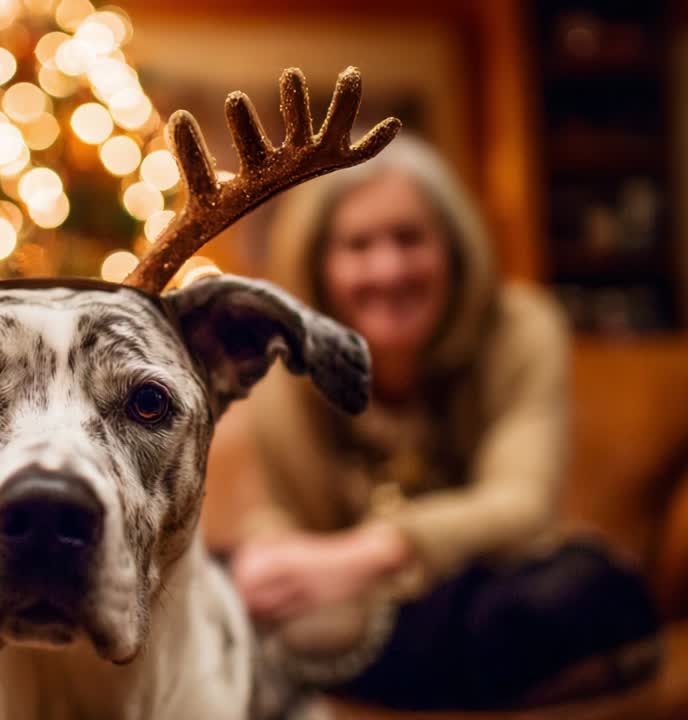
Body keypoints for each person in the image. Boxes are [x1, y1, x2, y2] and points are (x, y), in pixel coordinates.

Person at [205, 135, 661, 710]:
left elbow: (521, 505)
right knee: (214, 580)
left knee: (577, 592)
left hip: (484, 587)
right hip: (364, 608)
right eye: (358, 245)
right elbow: (285, 517)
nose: (389, 268)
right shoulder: (287, 367)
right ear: (319, 265)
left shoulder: (522, 328)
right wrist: (268, 560)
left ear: (454, 248)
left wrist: (371, 555)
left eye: (409, 238)